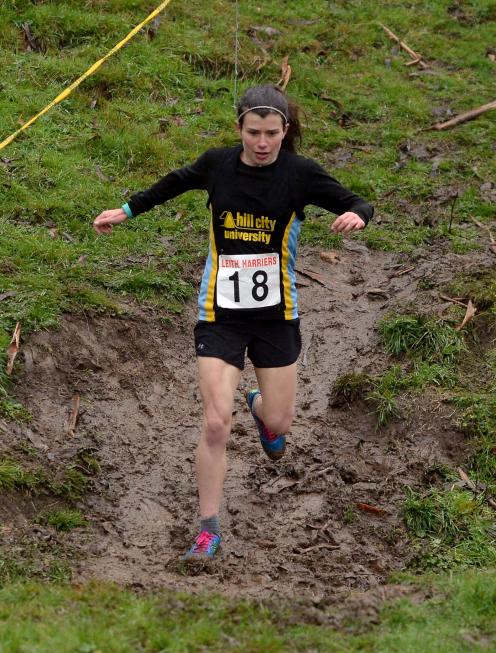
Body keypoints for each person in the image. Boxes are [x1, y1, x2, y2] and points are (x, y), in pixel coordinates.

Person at [93, 84, 373, 562]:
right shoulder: (218, 163)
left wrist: (355, 215)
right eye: (252, 133)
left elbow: (356, 200)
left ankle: (260, 407)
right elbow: (174, 182)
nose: (261, 144)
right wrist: (128, 209)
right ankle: (207, 528)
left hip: (276, 317)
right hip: (220, 313)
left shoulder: (300, 173)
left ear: (285, 131)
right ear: (239, 128)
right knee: (215, 423)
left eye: (271, 134)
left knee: (280, 422)